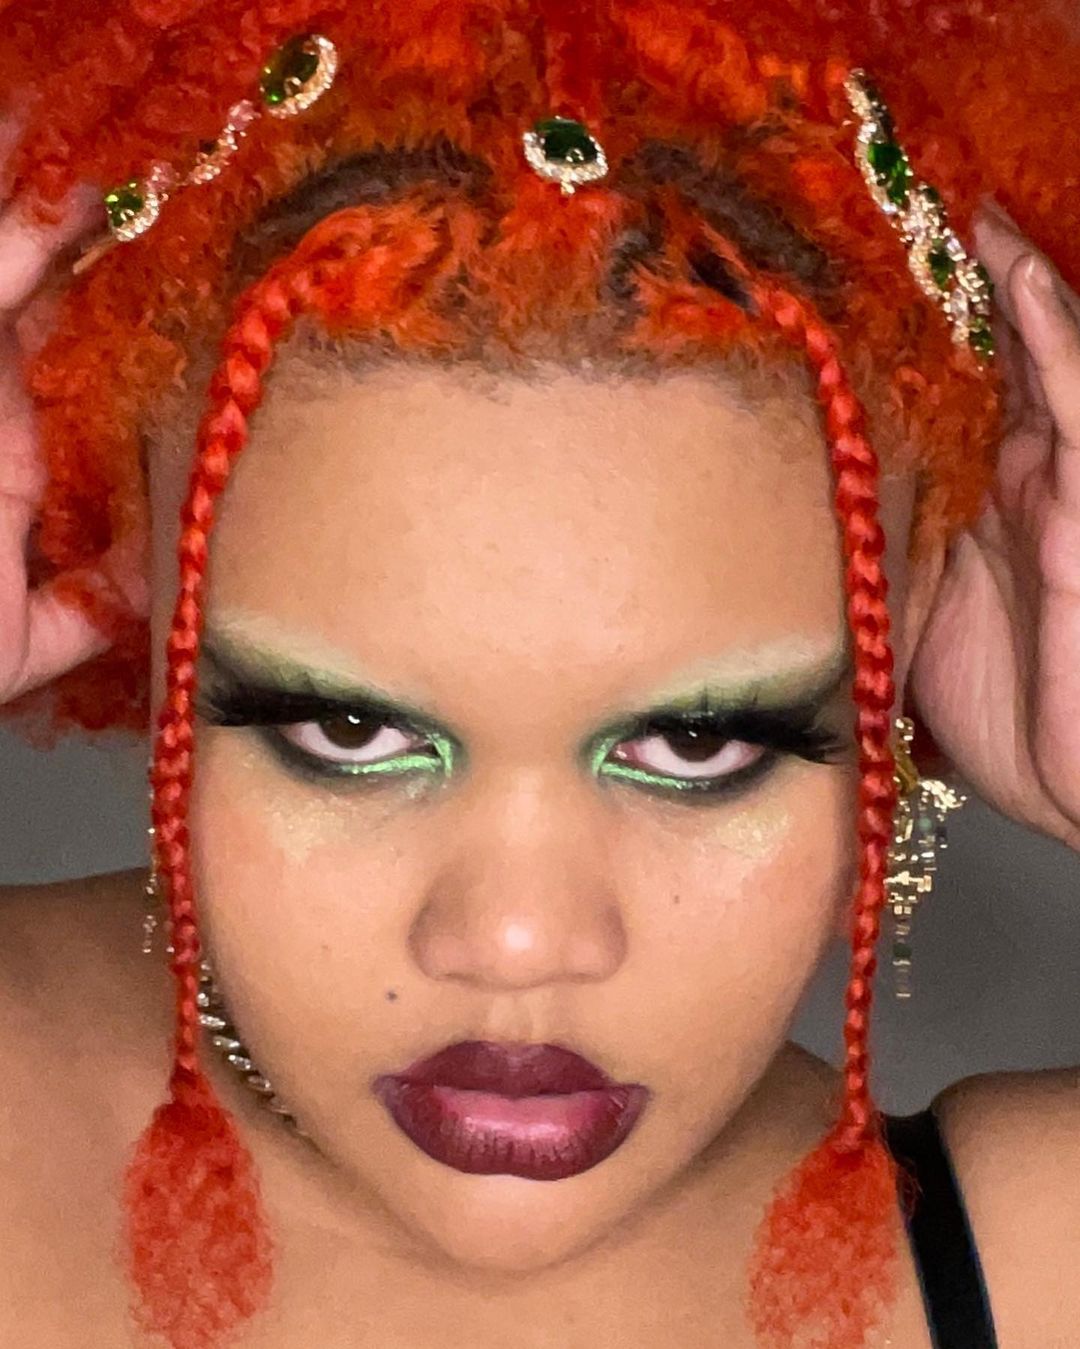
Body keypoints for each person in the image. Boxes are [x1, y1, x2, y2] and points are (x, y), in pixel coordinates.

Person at [0, 1, 1077, 1346]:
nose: (517, 940)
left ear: (900, 636)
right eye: (349, 733)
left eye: (696, 745)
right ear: (140, 581)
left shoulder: (1031, 1264)